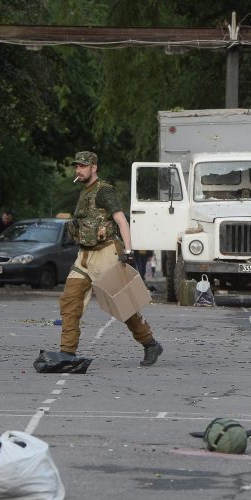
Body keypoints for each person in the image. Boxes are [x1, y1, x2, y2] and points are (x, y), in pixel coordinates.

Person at [58, 151, 163, 366]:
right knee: (70, 301)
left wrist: (129, 252)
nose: (79, 170)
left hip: (106, 252)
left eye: (83, 166)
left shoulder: (104, 190)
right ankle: (67, 352)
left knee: (122, 304)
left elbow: (121, 220)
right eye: (77, 166)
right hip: (84, 256)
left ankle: (149, 343)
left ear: (94, 168)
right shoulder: (85, 192)